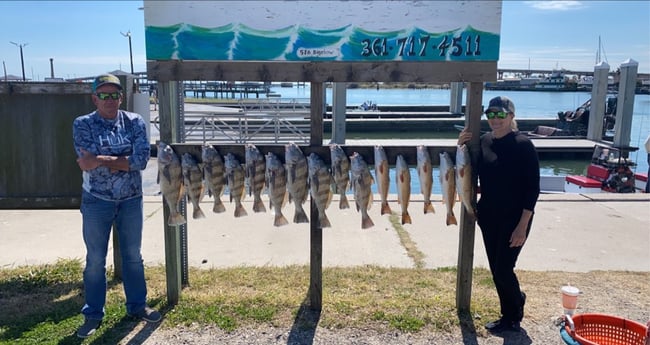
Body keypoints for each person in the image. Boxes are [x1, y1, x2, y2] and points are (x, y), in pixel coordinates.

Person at [72, 74, 160, 338]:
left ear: (121, 97)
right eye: (104, 95)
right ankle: (93, 314)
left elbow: (141, 161)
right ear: (94, 98)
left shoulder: (135, 121)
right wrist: (121, 159)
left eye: (114, 95)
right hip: (96, 200)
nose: (110, 100)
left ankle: (136, 305)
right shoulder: (82, 123)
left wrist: (101, 159)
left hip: (132, 199)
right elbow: (85, 161)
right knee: (95, 260)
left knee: (133, 256)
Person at [458, 96, 540, 333]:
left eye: (500, 114)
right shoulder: (484, 141)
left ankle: (513, 316)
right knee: (497, 268)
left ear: (511, 117)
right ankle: (513, 303)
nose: (495, 119)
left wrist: (522, 226)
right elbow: (467, 171)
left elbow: (532, 189)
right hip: (489, 215)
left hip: (515, 219)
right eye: (490, 114)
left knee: (504, 268)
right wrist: (460, 145)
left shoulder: (523, 145)